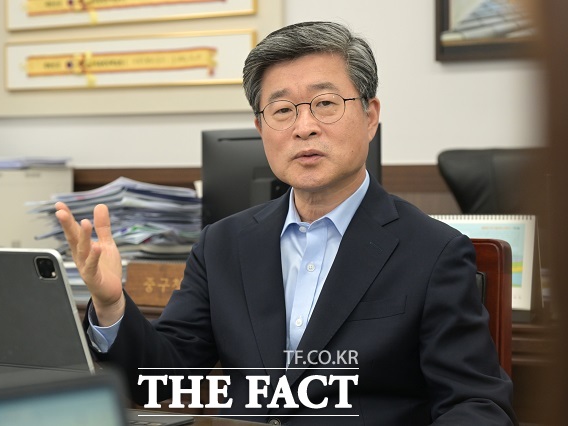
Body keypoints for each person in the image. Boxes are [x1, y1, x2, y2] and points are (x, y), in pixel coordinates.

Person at [56, 21, 517, 425]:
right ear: (261, 129)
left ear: (370, 116)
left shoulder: (433, 251)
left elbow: (475, 403)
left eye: (325, 103)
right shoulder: (223, 244)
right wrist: (112, 305)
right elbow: (165, 380)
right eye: (282, 110)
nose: (304, 127)